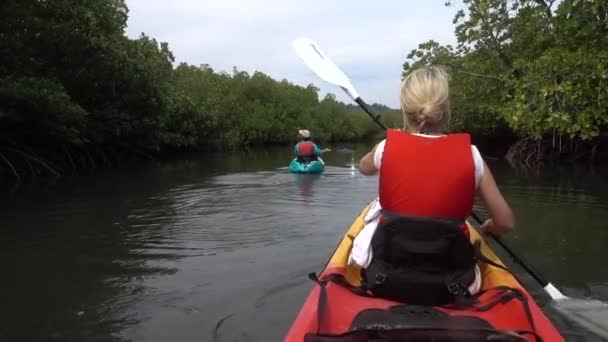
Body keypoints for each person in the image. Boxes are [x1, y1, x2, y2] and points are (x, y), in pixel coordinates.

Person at [355, 66, 515, 306]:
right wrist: (491, 227)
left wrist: (390, 142)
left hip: (384, 279)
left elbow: (363, 167)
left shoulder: (387, 147)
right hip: (454, 286)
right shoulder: (471, 155)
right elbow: (506, 222)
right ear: (446, 109)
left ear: (404, 109)